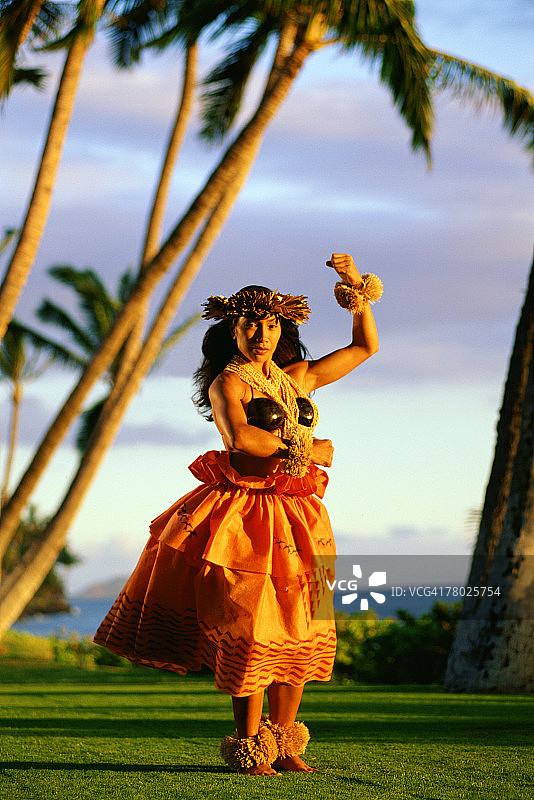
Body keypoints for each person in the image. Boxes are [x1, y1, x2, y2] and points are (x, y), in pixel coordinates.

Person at [94, 253, 381, 776]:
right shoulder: (228, 384)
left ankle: (287, 743)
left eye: (270, 323)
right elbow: (239, 438)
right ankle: (249, 747)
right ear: (233, 329)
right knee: (251, 628)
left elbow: (365, 347)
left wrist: (355, 288)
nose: (260, 332)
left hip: (302, 514)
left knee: (302, 626)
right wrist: (307, 447)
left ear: (281, 329)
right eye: (249, 323)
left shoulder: (297, 378)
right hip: (245, 515)